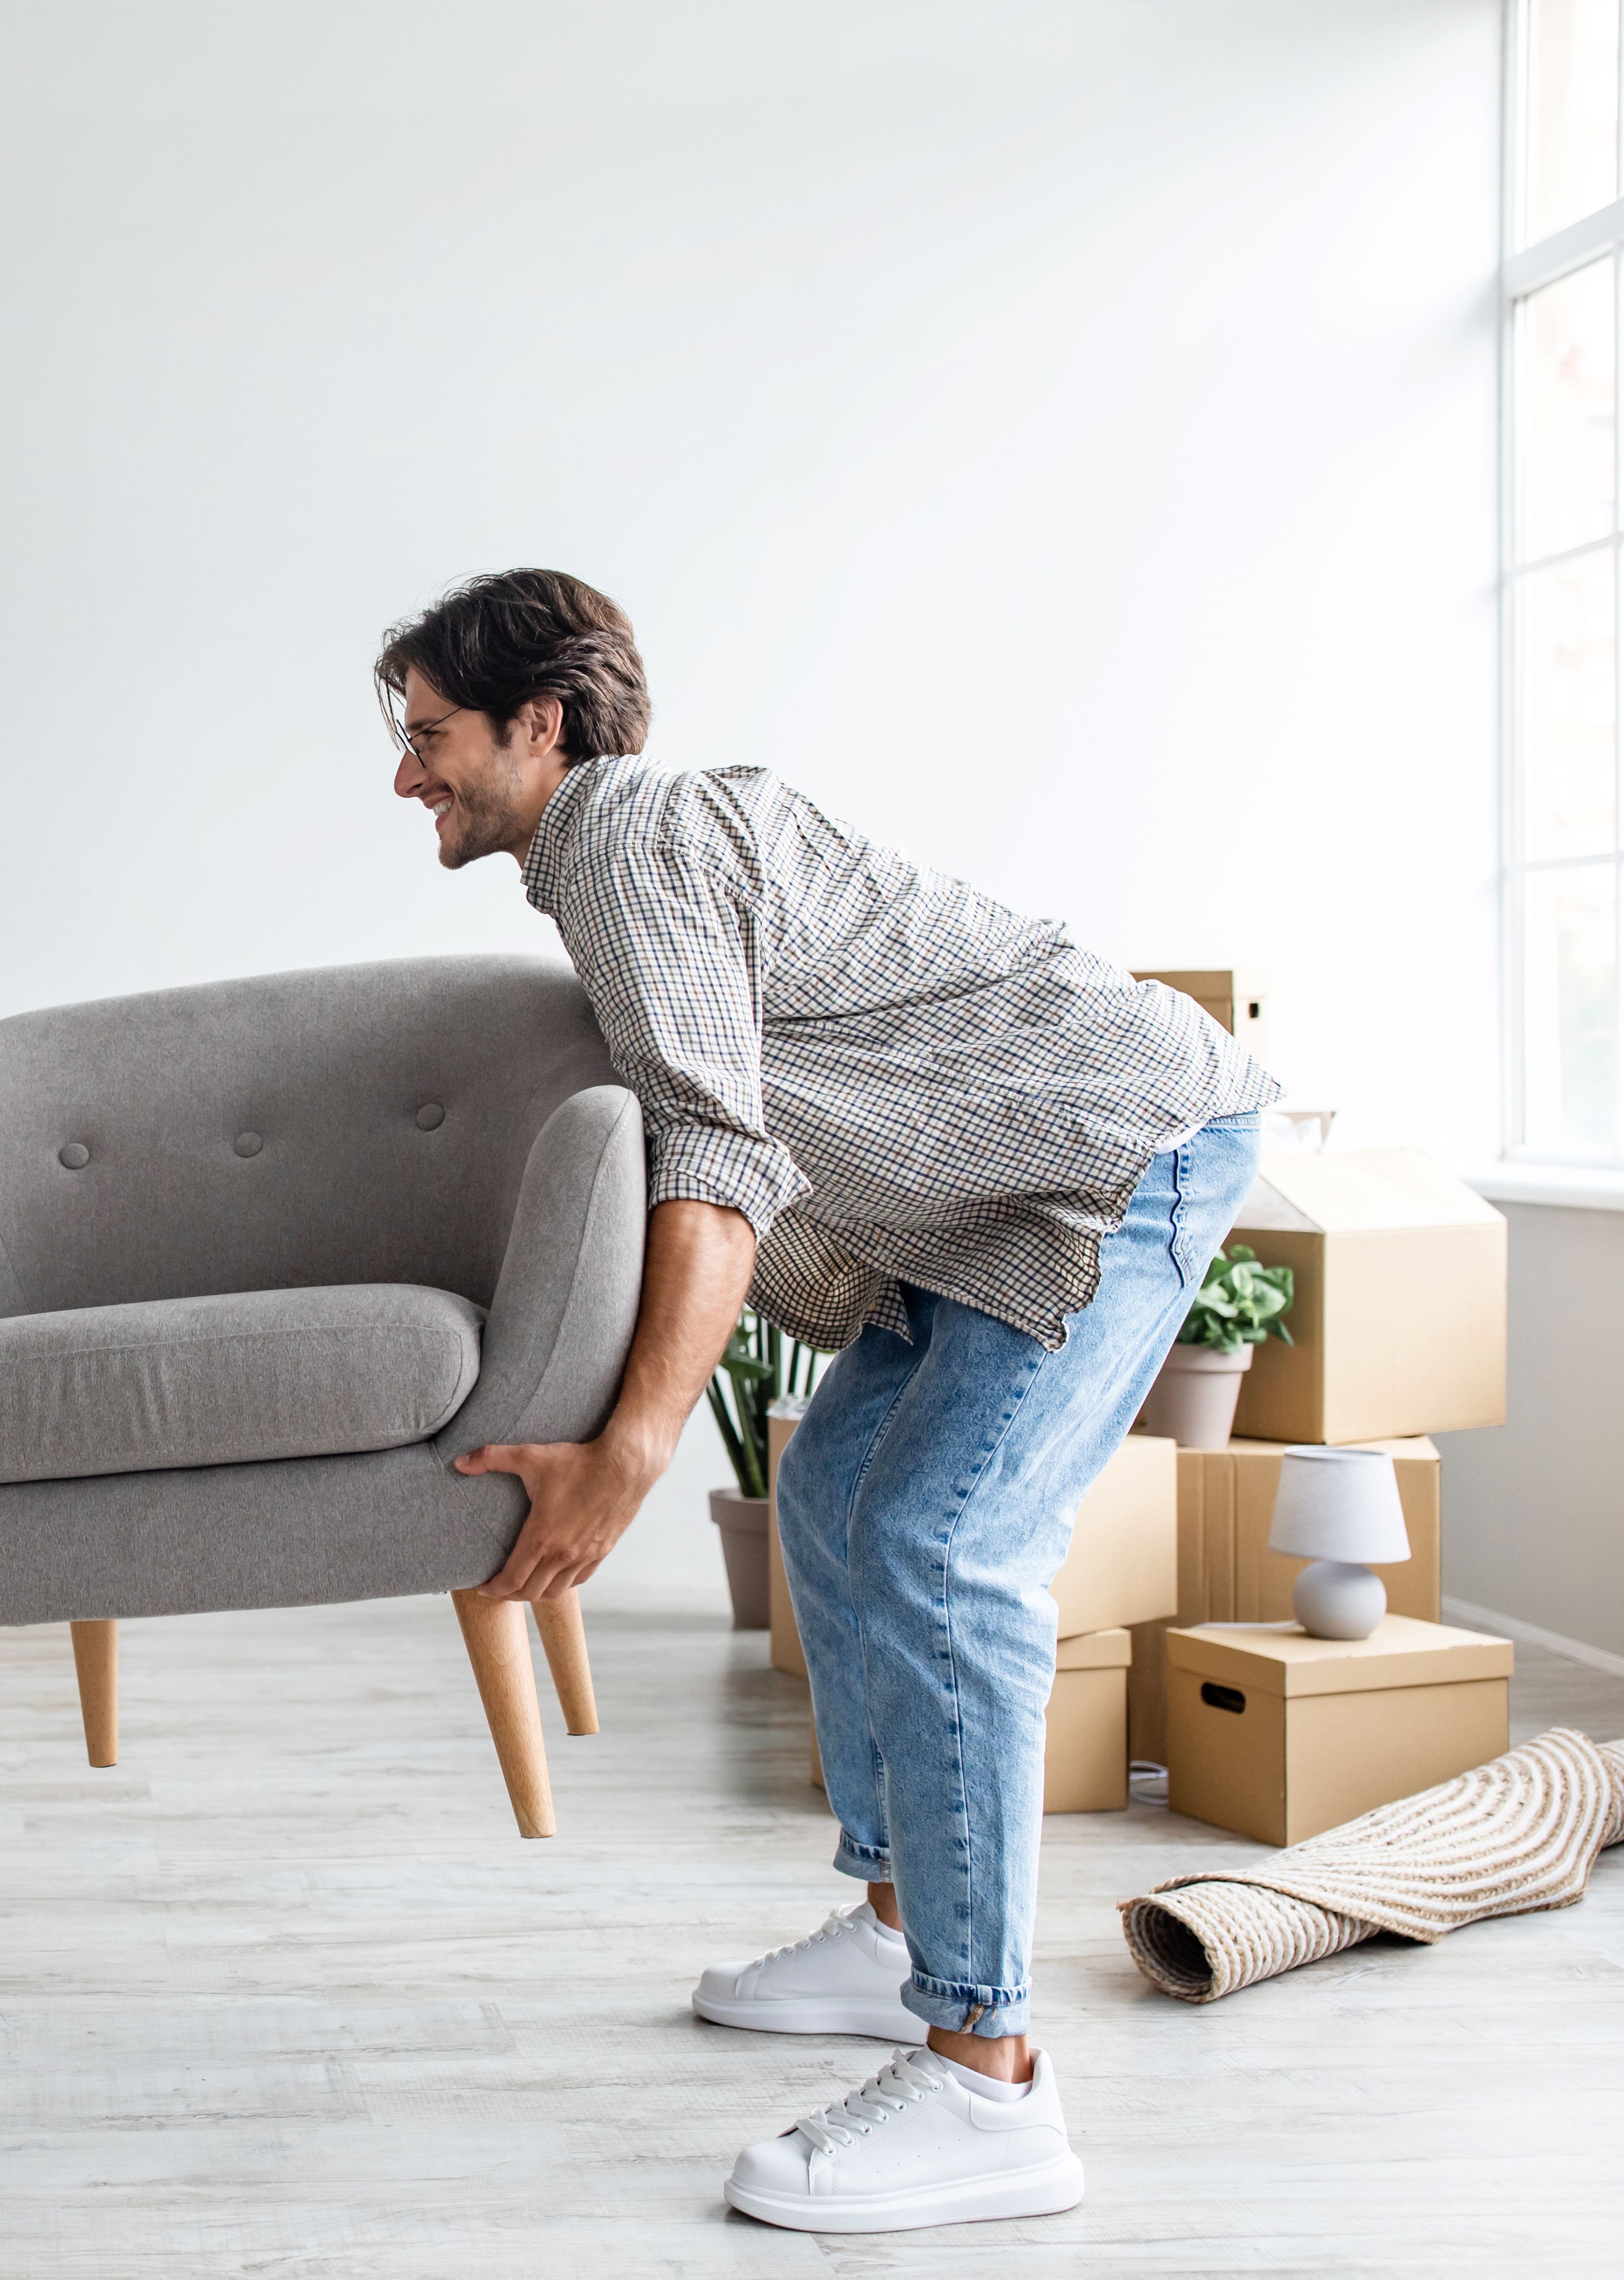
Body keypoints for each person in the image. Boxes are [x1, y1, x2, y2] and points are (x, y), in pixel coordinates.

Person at [380, 571, 1271, 2233]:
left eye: (430, 736)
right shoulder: (612, 854)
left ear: (539, 724)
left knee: (943, 1549)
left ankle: (989, 2078)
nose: (406, 775)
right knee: (831, 1490)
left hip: (1108, 1158)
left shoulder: (629, 840)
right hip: (990, 1195)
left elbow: (719, 1160)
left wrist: (627, 1456)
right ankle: (890, 1931)